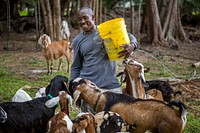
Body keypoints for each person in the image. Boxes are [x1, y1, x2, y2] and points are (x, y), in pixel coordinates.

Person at [70, 7, 138, 113]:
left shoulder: (106, 31)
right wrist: (72, 87)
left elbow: (129, 36)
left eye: (85, 18)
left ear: (93, 18)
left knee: (115, 120)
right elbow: (76, 67)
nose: (82, 22)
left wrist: (132, 45)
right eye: (79, 19)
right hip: (89, 89)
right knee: (91, 124)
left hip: (111, 86)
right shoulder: (77, 41)